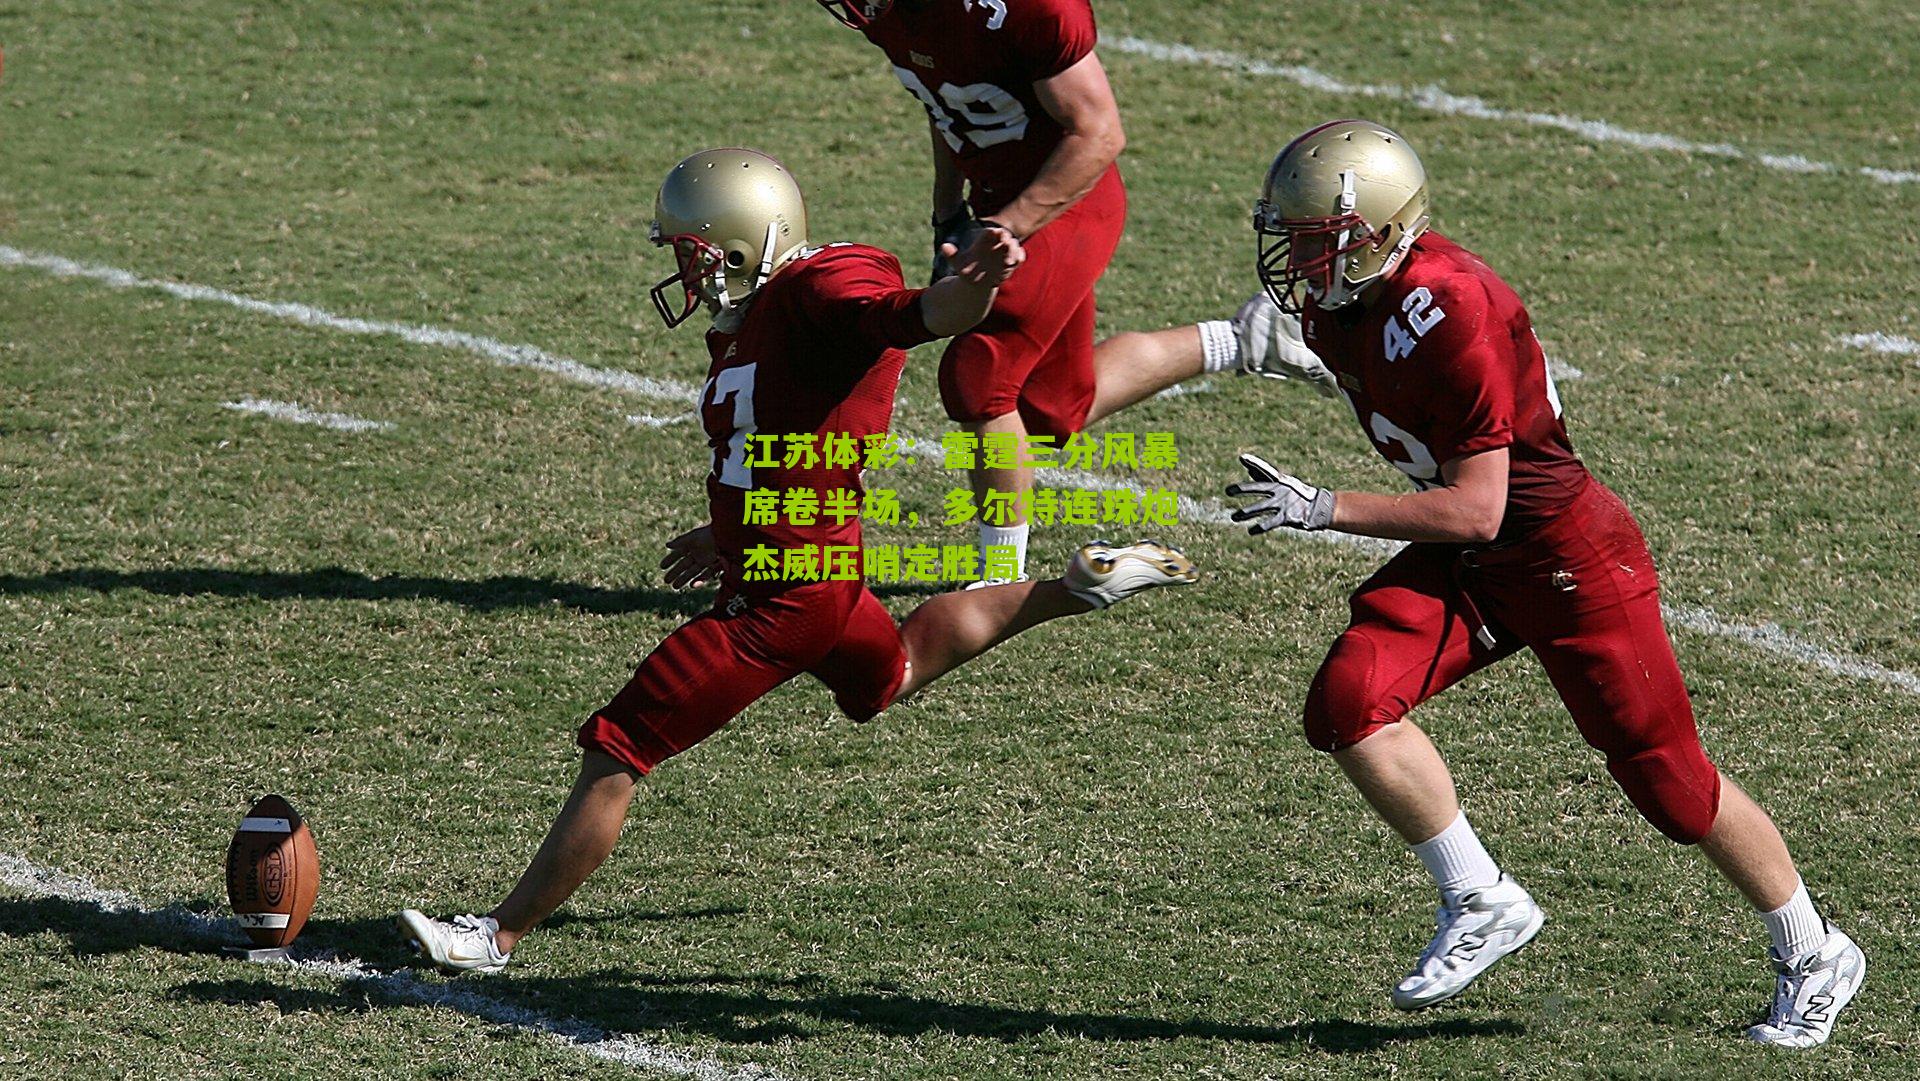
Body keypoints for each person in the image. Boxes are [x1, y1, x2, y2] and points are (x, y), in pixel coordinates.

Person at [398, 148, 1197, 972]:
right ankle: (1077, 586)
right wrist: (731, 526)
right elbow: (785, 434)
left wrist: (974, 287)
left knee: (621, 743)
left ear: (747, 243)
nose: (684, 268)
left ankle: (494, 935)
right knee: (889, 676)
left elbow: (916, 314)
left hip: (780, 603)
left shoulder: (822, 289)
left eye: (694, 251)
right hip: (821, 568)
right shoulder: (764, 314)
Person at [1222, 120, 1863, 1048]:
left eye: (1316, 236)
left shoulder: (1456, 306)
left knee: (1669, 783)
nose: (1297, 256)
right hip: (1482, 560)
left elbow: (1478, 507)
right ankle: (1480, 897)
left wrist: (1324, 507)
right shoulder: (1337, 302)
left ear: (1376, 232)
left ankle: (1815, 949)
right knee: (1350, 700)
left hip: (1560, 551)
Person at [818, 0, 1325, 584]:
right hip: (998, 205)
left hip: (1068, 205)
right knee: (1053, 408)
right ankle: (1247, 340)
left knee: (977, 379)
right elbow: (948, 106)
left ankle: (998, 579)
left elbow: (1100, 132)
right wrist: (948, 210)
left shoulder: (1025, 9)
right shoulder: (893, 14)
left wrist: (1008, 224)